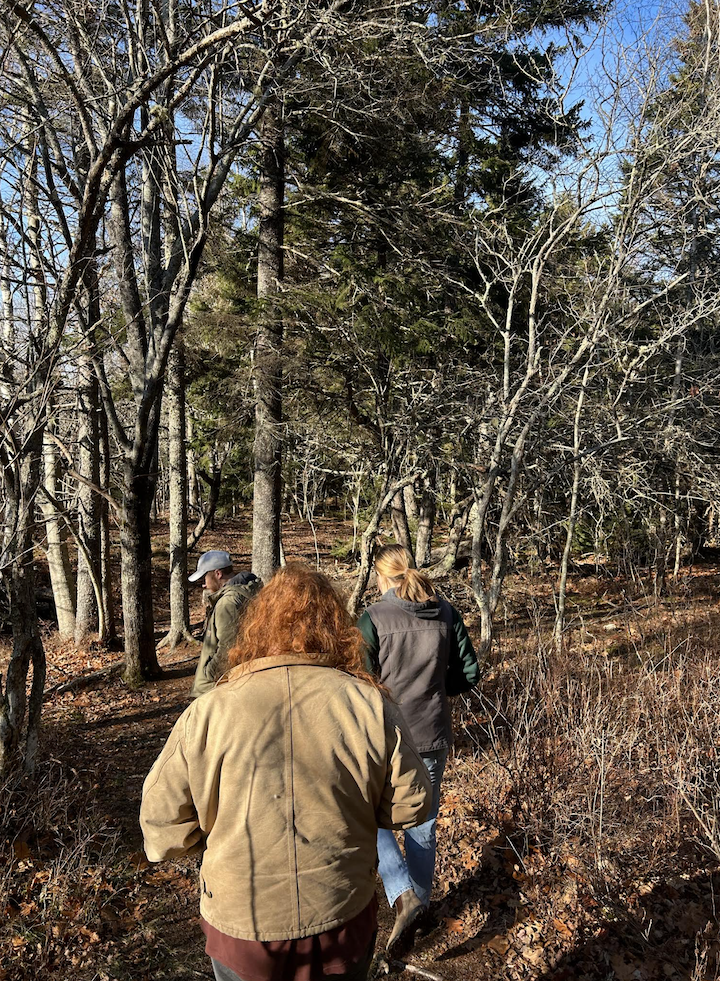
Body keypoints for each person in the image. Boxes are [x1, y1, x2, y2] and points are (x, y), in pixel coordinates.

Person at [140, 563, 432, 981]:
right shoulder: (369, 703)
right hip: (340, 914)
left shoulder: (208, 712)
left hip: (242, 924)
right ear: (337, 629)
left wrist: (215, 839)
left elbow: (162, 828)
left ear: (256, 628)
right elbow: (411, 804)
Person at [357, 544, 480, 954]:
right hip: (430, 733)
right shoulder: (446, 612)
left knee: (370, 815)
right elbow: (469, 672)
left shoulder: (374, 618)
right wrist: (438, 690)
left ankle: (402, 894)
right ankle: (421, 906)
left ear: (381, 577)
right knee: (422, 824)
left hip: (383, 736)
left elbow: (358, 681)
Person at [188, 549, 261, 697]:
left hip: (215, 688)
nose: (203, 585)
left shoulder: (227, 603)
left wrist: (209, 674)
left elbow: (228, 647)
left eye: (204, 578)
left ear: (218, 574)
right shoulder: (247, 592)